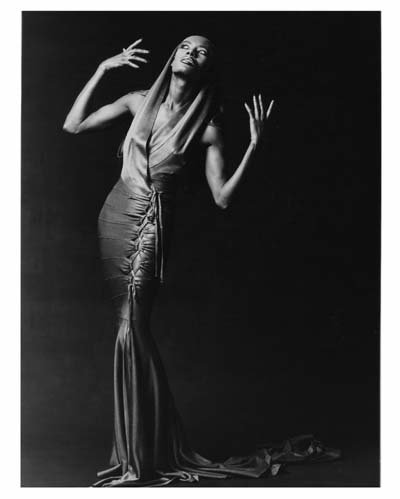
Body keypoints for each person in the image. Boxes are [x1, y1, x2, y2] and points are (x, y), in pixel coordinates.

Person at [63, 35, 339, 487]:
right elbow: (73, 125)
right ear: (173, 57)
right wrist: (102, 69)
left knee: (132, 324)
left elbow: (223, 198)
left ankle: (142, 455)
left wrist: (253, 147)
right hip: (115, 213)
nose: (192, 52)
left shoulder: (207, 129)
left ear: (207, 68)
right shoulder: (136, 102)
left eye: (202, 51)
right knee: (124, 323)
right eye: (186, 46)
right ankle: (141, 450)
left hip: (153, 223)